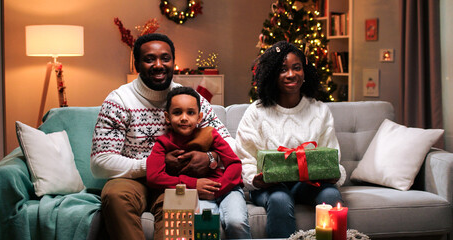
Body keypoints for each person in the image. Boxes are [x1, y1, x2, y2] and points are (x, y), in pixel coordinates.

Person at [90, 33, 237, 240]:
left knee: (181, 206)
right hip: (132, 180)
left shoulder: (189, 99)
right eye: (150, 59)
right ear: (137, 64)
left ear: (173, 62)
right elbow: (100, 162)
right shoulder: (119, 101)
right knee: (115, 195)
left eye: (165, 58)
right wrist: (153, 164)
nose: (159, 65)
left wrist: (211, 159)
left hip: (177, 182)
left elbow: (230, 144)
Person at [235, 41, 346, 238]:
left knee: (331, 195)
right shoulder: (256, 112)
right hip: (269, 187)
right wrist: (256, 179)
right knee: (279, 198)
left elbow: (331, 154)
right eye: (282, 69)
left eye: (297, 68)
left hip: (307, 184)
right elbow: (244, 159)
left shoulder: (319, 110)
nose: (291, 74)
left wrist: (334, 173)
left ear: (305, 72)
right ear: (271, 74)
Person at [146, 86, 251, 239]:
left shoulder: (210, 134)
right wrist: (191, 184)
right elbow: (154, 177)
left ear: (199, 117)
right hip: (195, 194)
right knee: (202, 225)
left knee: (236, 222)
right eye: (177, 112)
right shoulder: (163, 143)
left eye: (190, 113)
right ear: (167, 117)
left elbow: (234, 164)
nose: (184, 118)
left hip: (226, 188)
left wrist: (218, 187)